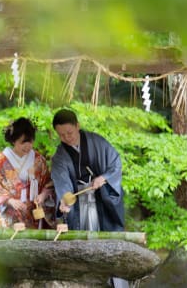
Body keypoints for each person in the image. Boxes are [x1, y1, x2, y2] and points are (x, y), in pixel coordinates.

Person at [51, 109, 127, 288]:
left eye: (69, 132)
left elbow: (115, 163)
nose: (67, 138)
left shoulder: (96, 142)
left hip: (101, 198)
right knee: (81, 239)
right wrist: (64, 199)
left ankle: (112, 280)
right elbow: (61, 181)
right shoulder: (60, 155)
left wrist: (104, 178)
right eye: (61, 135)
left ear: (78, 126)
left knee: (107, 236)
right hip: (79, 203)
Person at [0, 117, 55, 229]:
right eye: (23, 142)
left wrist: (43, 195)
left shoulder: (38, 160)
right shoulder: (1, 162)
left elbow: (48, 183)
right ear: (14, 141)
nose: (28, 146)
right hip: (10, 213)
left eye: (31, 142)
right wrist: (9, 200)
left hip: (32, 212)